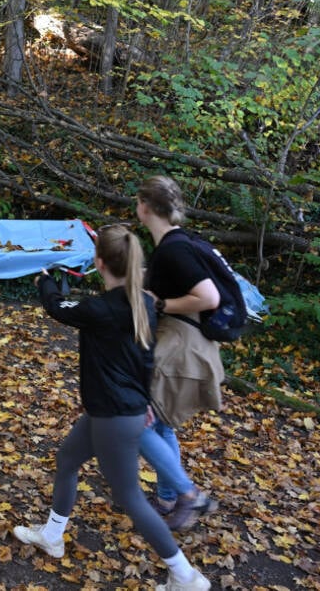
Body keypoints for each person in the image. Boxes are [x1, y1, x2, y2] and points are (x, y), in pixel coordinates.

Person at [13, 224, 211, 591]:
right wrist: (144, 399)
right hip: (117, 410)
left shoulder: (100, 309)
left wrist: (44, 279)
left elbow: (57, 306)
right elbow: (146, 359)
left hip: (114, 416)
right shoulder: (146, 303)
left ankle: (185, 576)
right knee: (67, 460)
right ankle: (52, 535)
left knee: (130, 498)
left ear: (98, 262)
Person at [136, 175, 220, 531]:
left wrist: (163, 303)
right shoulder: (171, 245)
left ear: (145, 207)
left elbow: (209, 297)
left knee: (138, 420)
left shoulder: (174, 248)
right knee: (161, 423)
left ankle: (186, 496)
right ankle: (171, 497)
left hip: (181, 347)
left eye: (138, 202)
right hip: (179, 344)